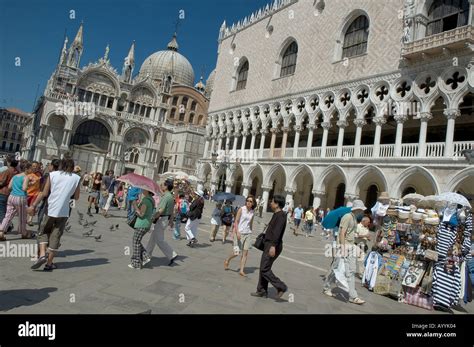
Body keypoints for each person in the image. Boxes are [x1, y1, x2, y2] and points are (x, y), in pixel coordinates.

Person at [29, 158, 81, 271]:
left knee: (43, 231)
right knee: (56, 235)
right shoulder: (76, 178)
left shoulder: (52, 175)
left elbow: (45, 192)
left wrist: (33, 205)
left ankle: (42, 254)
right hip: (64, 211)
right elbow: (76, 197)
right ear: (72, 167)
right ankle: (49, 263)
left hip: (51, 208)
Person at [323, 199, 367, 305]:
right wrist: (342, 248)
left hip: (350, 246)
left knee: (351, 271)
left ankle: (353, 296)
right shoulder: (347, 217)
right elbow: (341, 233)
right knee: (335, 268)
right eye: (361, 210)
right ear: (358, 209)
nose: (362, 212)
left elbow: (350, 233)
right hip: (343, 246)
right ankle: (326, 287)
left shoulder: (355, 218)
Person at [251, 195, 288, 299]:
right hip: (269, 244)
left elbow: (277, 233)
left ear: (277, 204)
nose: (270, 203)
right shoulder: (276, 214)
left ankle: (281, 286)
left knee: (264, 269)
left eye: (272, 202)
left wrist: (273, 246)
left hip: (273, 245)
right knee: (264, 267)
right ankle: (262, 290)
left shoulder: (281, 216)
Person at [143, 179, 178, 267]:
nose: (161, 186)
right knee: (153, 239)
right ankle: (146, 255)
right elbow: (172, 211)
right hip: (165, 219)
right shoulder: (170, 196)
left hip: (161, 219)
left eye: (162, 185)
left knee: (159, 240)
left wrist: (153, 217)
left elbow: (161, 210)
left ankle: (172, 254)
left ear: (166, 186)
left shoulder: (166, 197)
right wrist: (171, 220)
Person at [224, 195, 256, 277]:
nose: (248, 202)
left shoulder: (252, 212)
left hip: (247, 234)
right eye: (247, 200)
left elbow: (251, 223)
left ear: (253, 203)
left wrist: (251, 232)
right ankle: (227, 260)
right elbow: (236, 221)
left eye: (250, 201)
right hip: (239, 233)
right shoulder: (242, 209)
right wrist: (237, 232)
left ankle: (241, 270)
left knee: (245, 253)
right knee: (236, 252)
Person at [0, 160, 29, 240]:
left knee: (8, 215)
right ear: (26, 169)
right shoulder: (25, 177)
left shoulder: (15, 176)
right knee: (22, 216)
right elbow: (24, 188)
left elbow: (9, 187)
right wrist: (28, 185)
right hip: (20, 197)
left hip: (11, 196)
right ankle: (23, 233)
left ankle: (1, 232)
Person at [128, 188, 155, 269]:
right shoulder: (151, 199)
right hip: (146, 224)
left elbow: (141, 214)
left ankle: (136, 263)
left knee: (135, 242)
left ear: (147, 190)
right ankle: (145, 257)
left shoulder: (146, 200)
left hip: (142, 224)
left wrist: (135, 205)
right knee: (137, 241)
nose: (142, 190)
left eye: (143, 189)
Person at [36, 159, 60, 233]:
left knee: (41, 217)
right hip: (57, 202)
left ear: (52, 166)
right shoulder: (62, 177)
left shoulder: (49, 176)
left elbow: (44, 192)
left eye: (49, 164)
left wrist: (34, 204)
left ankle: (41, 232)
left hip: (47, 200)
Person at [0, 156, 18, 235]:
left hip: (3, 192)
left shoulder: (7, 171)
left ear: (9, 163)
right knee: (6, 211)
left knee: (2, 211)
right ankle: (6, 226)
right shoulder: (17, 172)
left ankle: (3, 228)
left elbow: (2, 182)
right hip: (11, 193)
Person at [26, 161, 42, 226]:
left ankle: (30, 220)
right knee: (26, 207)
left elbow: (41, 183)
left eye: (36, 166)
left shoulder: (40, 174)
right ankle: (24, 218)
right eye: (33, 166)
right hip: (27, 193)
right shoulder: (28, 174)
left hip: (35, 193)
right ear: (31, 167)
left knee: (33, 207)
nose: (35, 168)